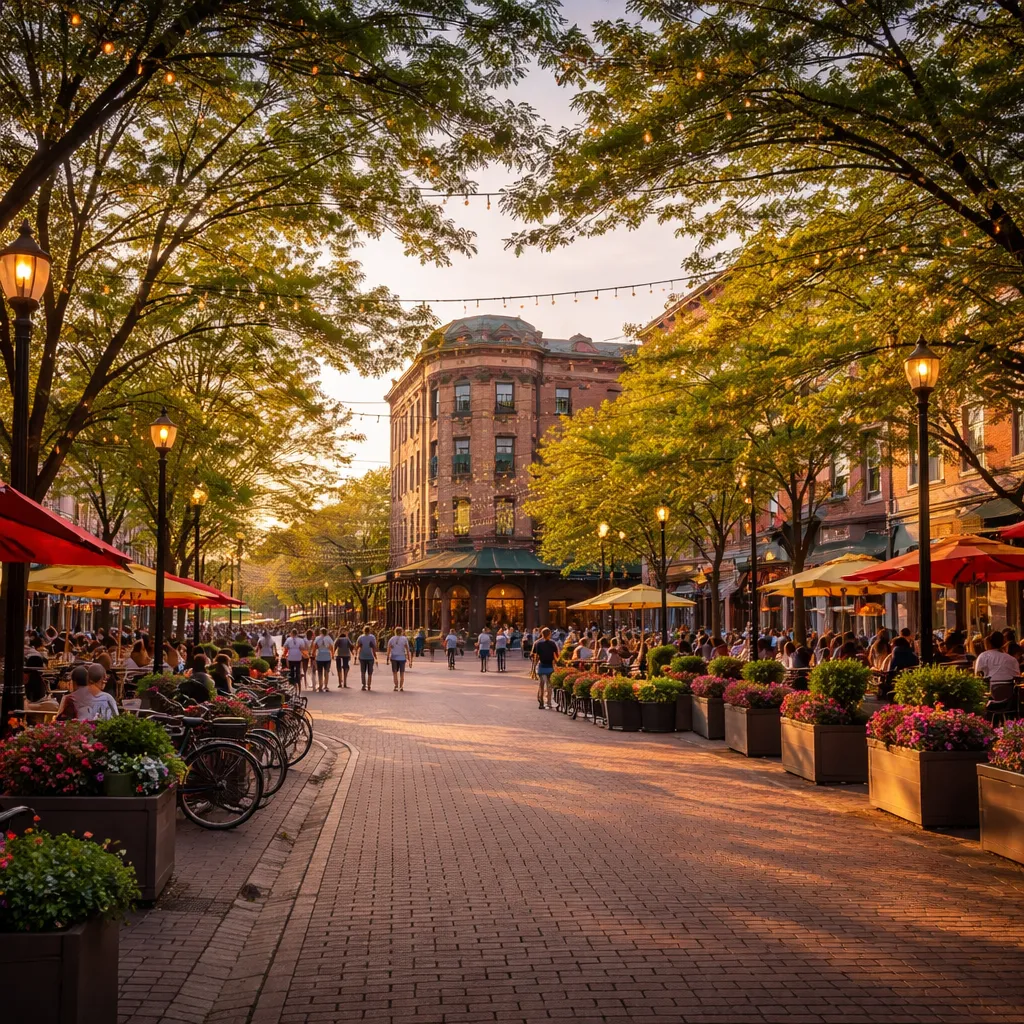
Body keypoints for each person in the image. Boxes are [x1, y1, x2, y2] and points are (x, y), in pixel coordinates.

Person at [532, 627, 559, 709]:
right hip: (550, 666)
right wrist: (556, 663)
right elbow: (556, 655)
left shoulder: (538, 643)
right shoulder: (552, 643)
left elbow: (535, 656)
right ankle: (549, 702)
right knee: (549, 685)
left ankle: (541, 702)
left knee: (541, 685)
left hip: (541, 665)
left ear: (542, 634)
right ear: (549, 634)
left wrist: (534, 667)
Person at [388, 627, 411, 691]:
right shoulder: (404, 639)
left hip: (394, 658)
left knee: (395, 673)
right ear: (402, 632)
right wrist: (409, 659)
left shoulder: (391, 639)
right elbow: (407, 649)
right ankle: (401, 686)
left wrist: (387, 657)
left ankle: (396, 686)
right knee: (402, 673)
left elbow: (388, 648)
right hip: (402, 658)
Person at [311, 628, 334, 692]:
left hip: (319, 657)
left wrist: (313, 654)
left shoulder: (317, 638)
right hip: (327, 657)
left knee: (320, 672)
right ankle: (326, 686)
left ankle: (320, 685)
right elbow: (331, 647)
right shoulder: (328, 638)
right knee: (326, 672)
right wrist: (332, 654)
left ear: (320, 632)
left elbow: (315, 647)